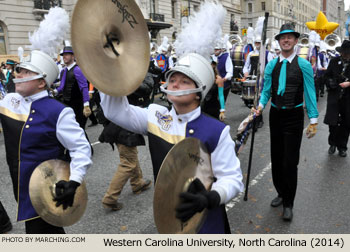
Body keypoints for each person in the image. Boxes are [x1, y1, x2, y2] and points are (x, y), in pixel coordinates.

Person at [100, 53, 243, 233]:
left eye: (184, 81)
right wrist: (106, 72)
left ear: (199, 91)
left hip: (206, 219)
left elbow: (232, 178)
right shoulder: (155, 115)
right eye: (173, 78)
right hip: (168, 216)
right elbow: (114, 111)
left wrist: (211, 197)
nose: (175, 84)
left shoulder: (216, 130)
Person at [0, 50, 92, 234]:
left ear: (42, 82)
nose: (18, 74)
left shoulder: (58, 111)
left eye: (26, 72)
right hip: (22, 188)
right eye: (19, 70)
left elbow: (82, 148)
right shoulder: (11, 101)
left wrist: (74, 181)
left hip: (46, 190)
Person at [253, 23, 318, 221]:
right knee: (277, 159)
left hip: (294, 117)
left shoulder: (304, 65)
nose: (286, 40)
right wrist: (260, 106)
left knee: (290, 162)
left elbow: (310, 92)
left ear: (296, 41)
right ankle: (281, 192)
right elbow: (266, 91)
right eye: (283, 37)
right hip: (276, 115)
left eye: (290, 37)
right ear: (279, 41)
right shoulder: (272, 64)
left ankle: (289, 202)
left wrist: (313, 119)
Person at [98, 77, 154, 211]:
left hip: (117, 124)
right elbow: (145, 89)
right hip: (122, 126)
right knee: (128, 162)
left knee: (130, 156)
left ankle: (137, 182)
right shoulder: (120, 79)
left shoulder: (103, 78)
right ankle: (110, 198)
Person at [323, 40, 350, 157]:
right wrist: (330, 82)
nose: (345, 55)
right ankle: (332, 144)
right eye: (344, 53)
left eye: (347, 53)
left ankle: (342, 147)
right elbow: (327, 75)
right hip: (334, 96)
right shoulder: (334, 61)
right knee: (332, 122)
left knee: (346, 123)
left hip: (348, 98)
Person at [55, 46, 91, 129]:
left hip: (78, 105)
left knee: (79, 129)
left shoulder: (77, 69)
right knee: (72, 129)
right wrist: (55, 91)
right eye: (63, 55)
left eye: (67, 54)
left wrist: (86, 105)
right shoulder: (63, 71)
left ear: (73, 56)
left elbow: (84, 87)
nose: (64, 56)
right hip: (67, 104)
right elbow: (62, 86)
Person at [202, 40, 233, 121]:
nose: (215, 51)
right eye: (214, 49)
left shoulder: (226, 57)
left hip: (223, 87)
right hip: (204, 106)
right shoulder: (204, 77)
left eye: (217, 49)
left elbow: (221, 96)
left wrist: (222, 110)